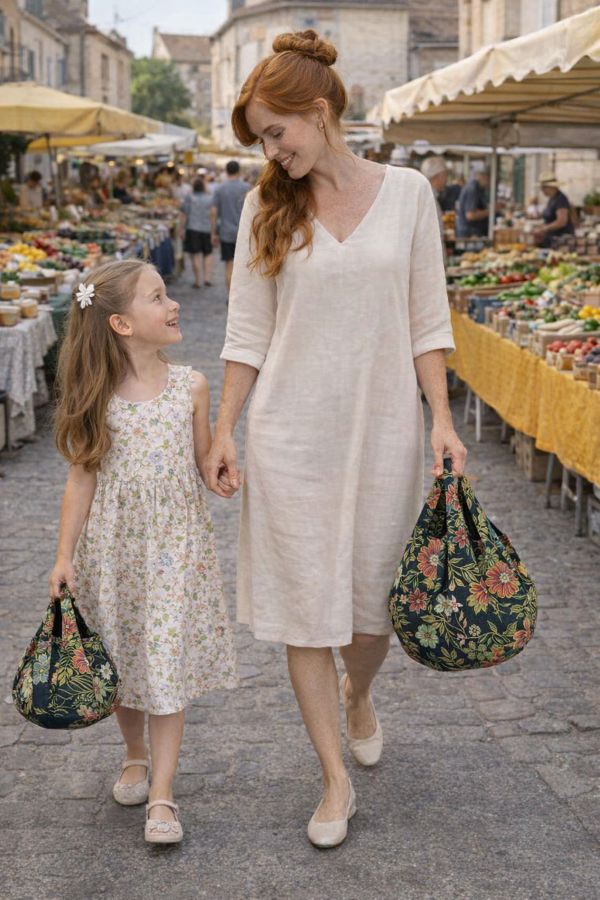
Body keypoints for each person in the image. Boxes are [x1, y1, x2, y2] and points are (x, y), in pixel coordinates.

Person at [205, 29, 466, 848]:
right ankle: (332, 778)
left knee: (370, 612)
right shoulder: (262, 208)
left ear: (318, 112)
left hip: (384, 429)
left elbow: (429, 320)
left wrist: (444, 421)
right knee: (305, 615)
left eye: (276, 133)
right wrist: (224, 430)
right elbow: (246, 333)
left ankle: (360, 694)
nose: (270, 152)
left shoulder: (410, 192)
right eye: (260, 140)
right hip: (291, 438)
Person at [49, 259, 238, 844]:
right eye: (158, 297)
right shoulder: (97, 396)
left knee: (164, 664)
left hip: (175, 553)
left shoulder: (191, 387)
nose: (172, 304)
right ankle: (134, 753)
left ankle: (163, 793)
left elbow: (204, 463)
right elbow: (82, 479)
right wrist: (64, 557)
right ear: (123, 326)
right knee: (122, 660)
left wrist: (222, 472)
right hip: (114, 553)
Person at [210, 160, 250, 295]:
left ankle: (230, 296)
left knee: (229, 265)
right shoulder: (246, 188)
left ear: (226, 171)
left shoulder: (220, 189)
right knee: (244, 266)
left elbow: (214, 212)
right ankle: (241, 296)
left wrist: (213, 233)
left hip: (226, 232)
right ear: (238, 171)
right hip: (244, 232)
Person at [181, 177, 214, 288]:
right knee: (207, 254)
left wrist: (181, 229)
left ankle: (197, 280)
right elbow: (213, 214)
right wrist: (213, 230)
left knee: (195, 255)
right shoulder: (209, 198)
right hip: (206, 228)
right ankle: (207, 278)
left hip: (192, 228)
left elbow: (184, 215)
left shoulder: (189, 198)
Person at [421, 155, 448, 266]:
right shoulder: (428, 197)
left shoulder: (427, 195)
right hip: (430, 262)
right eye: (445, 175)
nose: (446, 179)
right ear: (438, 176)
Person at [536, 172, 574, 247]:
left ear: (551, 187)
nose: (542, 190)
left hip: (560, 240)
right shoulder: (552, 199)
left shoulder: (560, 199)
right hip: (551, 238)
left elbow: (561, 221)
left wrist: (544, 228)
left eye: (543, 188)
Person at [456, 168, 490, 238]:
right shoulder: (472, 189)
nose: (489, 182)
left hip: (471, 230)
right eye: (488, 179)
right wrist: (491, 211)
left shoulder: (479, 188)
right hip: (469, 233)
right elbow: (470, 215)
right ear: (483, 177)